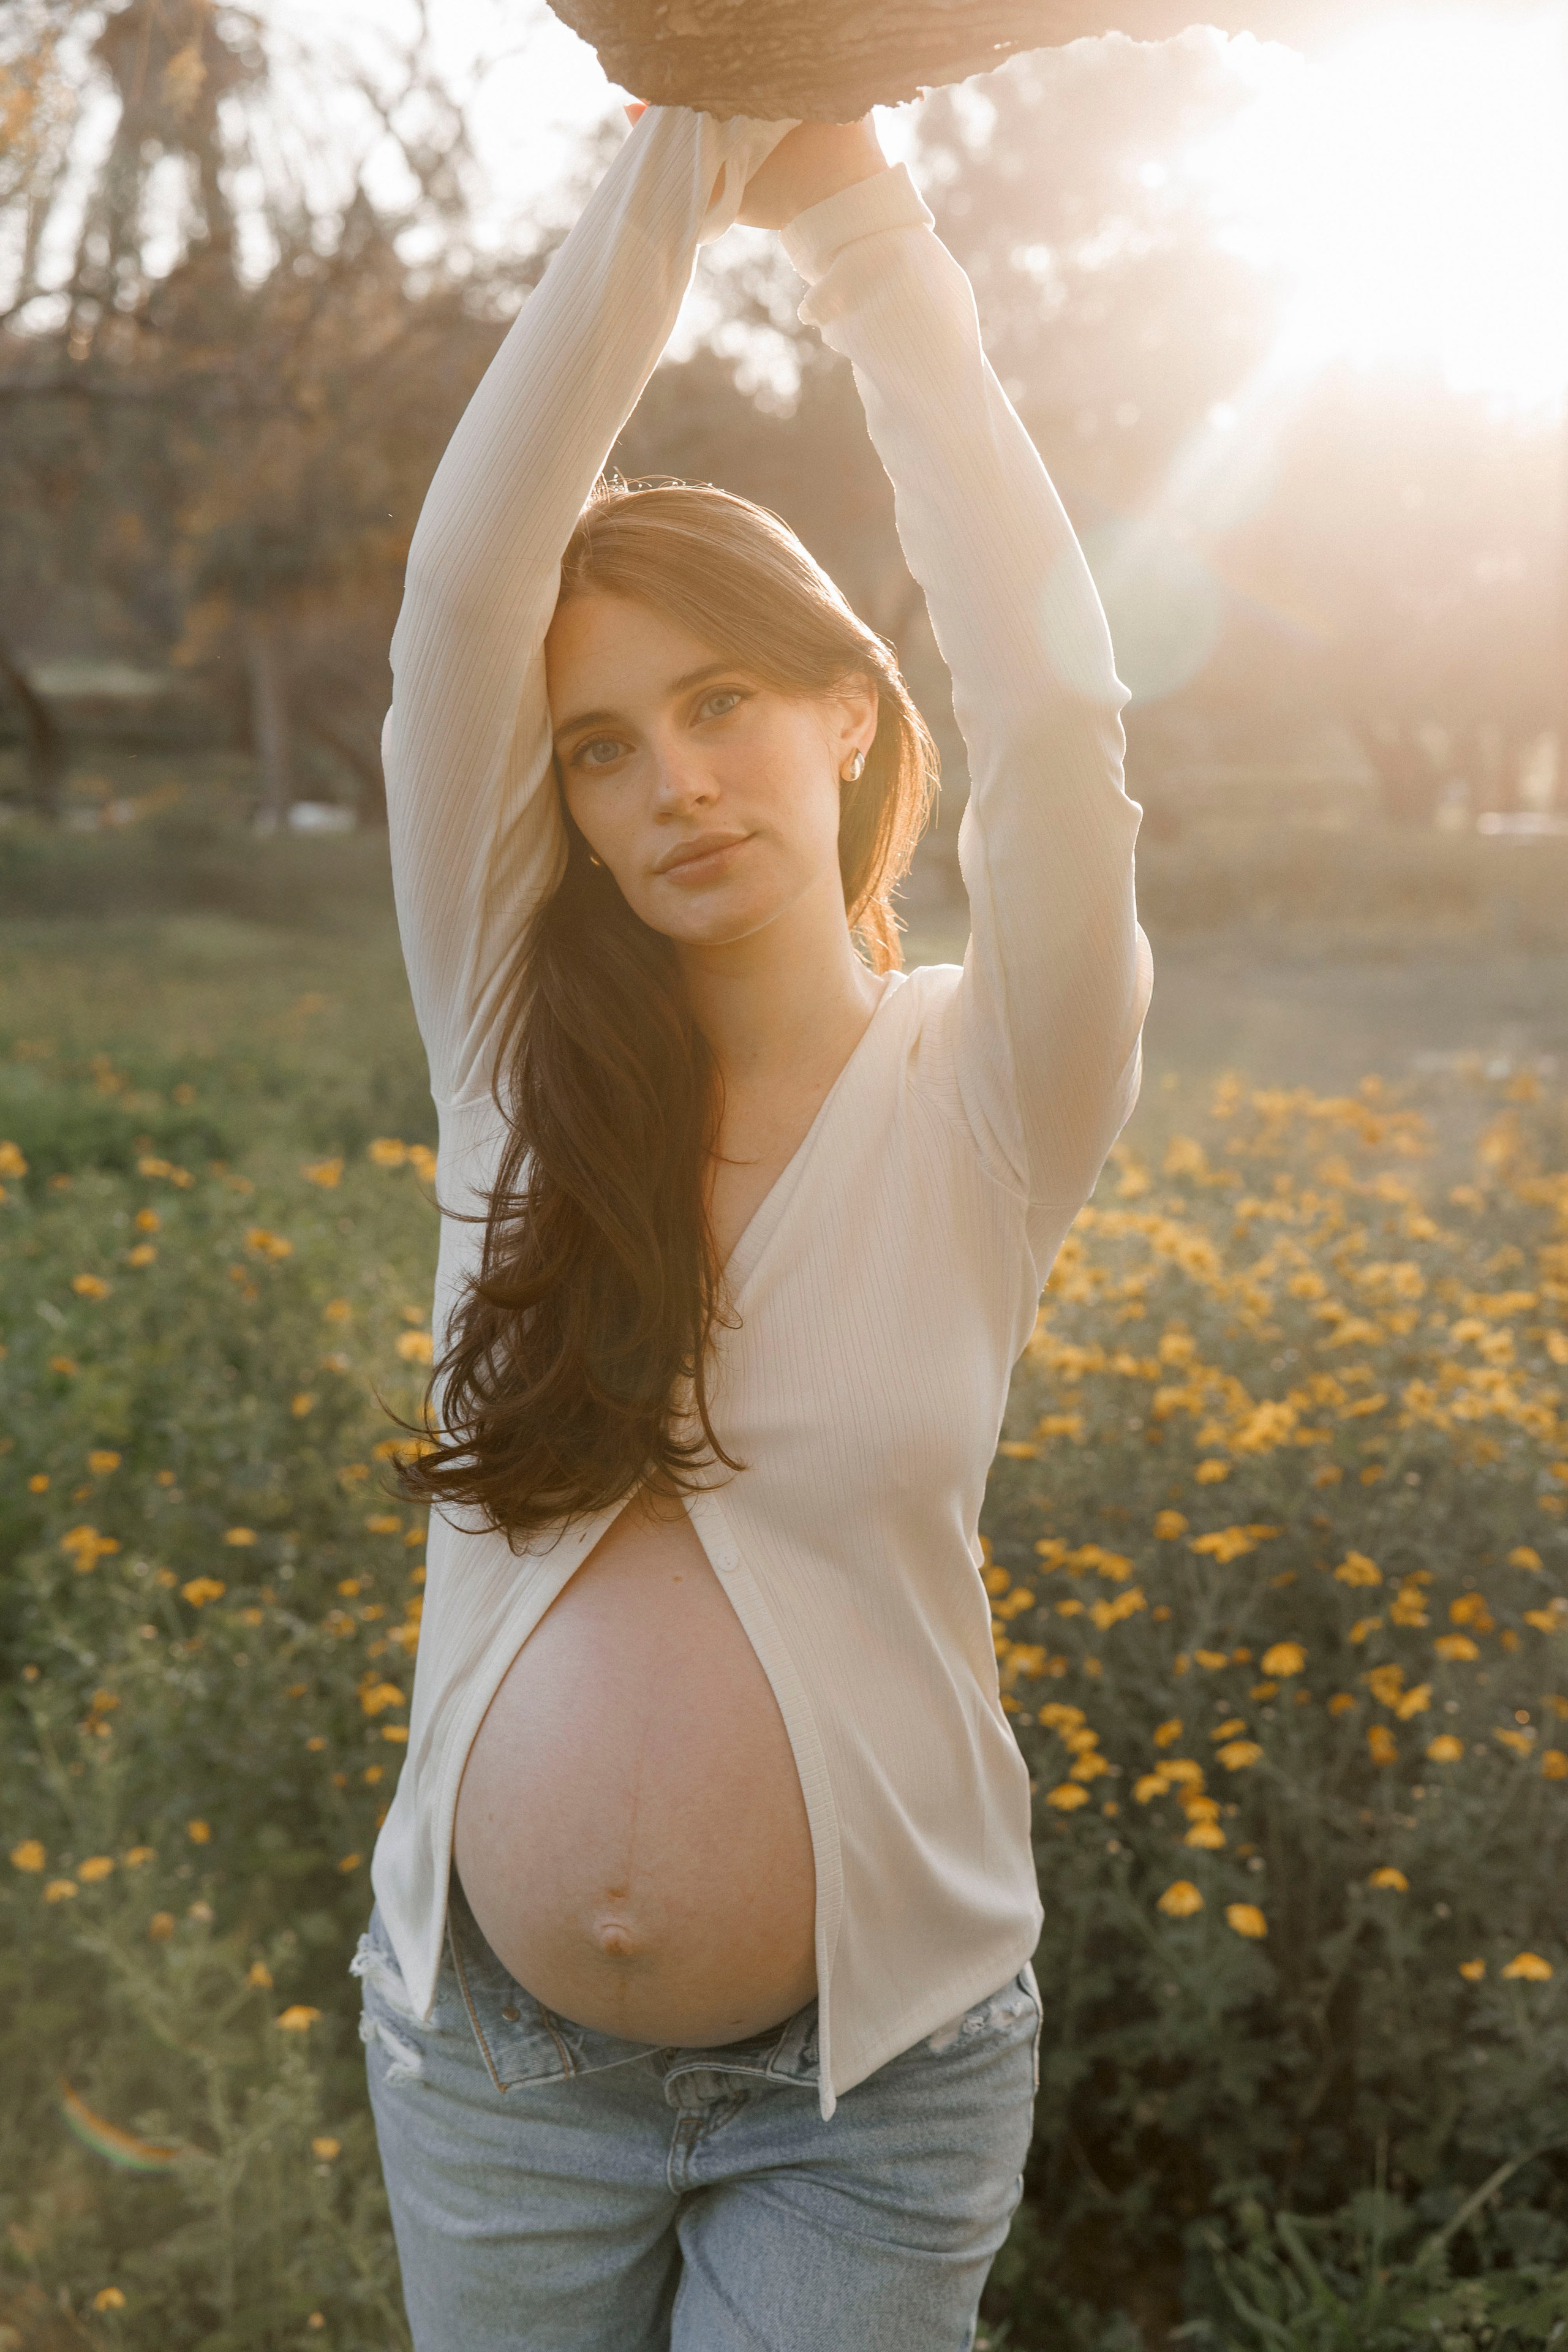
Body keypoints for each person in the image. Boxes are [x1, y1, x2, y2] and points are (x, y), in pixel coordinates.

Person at [353, 94, 1152, 2352]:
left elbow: (1067, 713)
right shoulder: (512, 1061)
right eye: (600, 747)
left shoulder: (998, 1080)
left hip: (864, 2094)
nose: (669, 779)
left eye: (718, 707)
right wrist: (680, 148)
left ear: (840, 718)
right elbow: (458, 617)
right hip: (493, 2077)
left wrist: (861, 230)